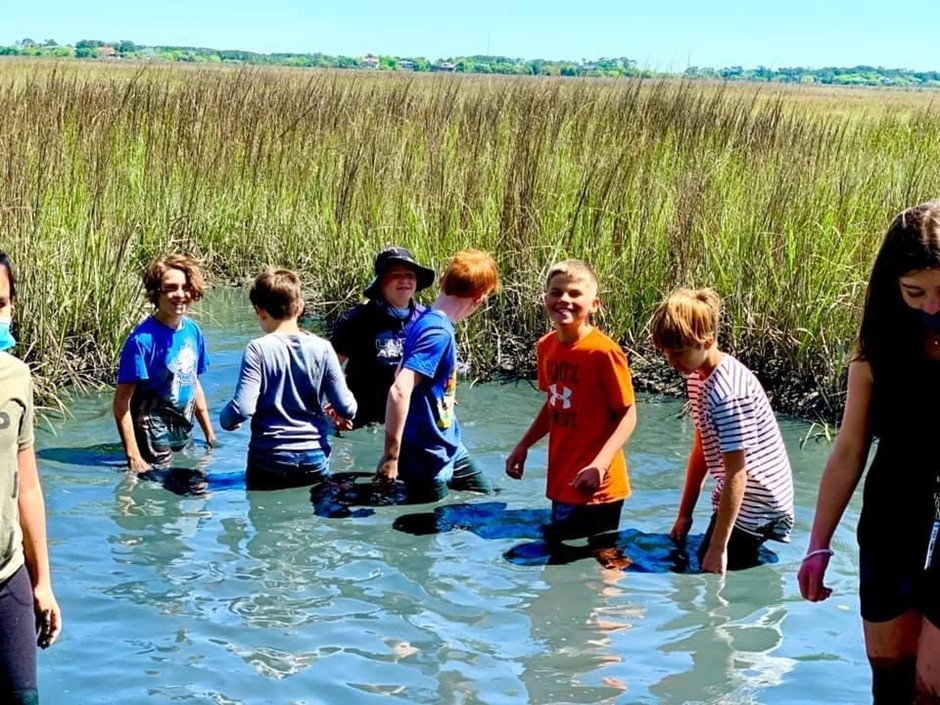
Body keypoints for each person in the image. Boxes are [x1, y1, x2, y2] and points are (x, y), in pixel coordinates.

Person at [798, 202, 940, 703]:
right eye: (915, 293)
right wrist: (818, 544)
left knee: (934, 682)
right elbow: (850, 448)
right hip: (894, 515)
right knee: (892, 678)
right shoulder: (878, 344)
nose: (931, 307)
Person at [650, 288, 794, 574]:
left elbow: (736, 474)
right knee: (692, 556)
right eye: (666, 352)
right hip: (741, 494)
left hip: (760, 502)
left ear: (708, 340)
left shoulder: (727, 393)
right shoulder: (696, 378)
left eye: (678, 352)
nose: (671, 362)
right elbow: (702, 448)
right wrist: (684, 515)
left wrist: (718, 549)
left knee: (707, 568)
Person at [505, 259, 637, 542]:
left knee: (598, 559)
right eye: (556, 292)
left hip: (598, 484)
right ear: (545, 299)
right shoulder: (546, 347)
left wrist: (599, 466)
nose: (564, 299)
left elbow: (628, 415)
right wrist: (524, 444)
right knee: (561, 560)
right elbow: (554, 404)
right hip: (562, 477)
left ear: (595, 304)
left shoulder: (603, 353)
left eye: (575, 294)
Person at [376, 249, 499, 503]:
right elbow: (399, 390)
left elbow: (402, 369)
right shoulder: (437, 332)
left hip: (451, 446)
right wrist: (391, 457)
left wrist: (440, 393)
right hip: (428, 457)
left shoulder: (425, 320)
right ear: (479, 298)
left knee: (488, 497)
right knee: (426, 535)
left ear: (443, 280)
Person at [220, 268, 357, 490]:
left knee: (265, 522)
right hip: (313, 457)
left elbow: (243, 408)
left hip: (269, 458)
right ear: (300, 307)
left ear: (260, 311)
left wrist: (226, 420)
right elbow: (348, 408)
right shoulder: (323, 349)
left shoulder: (258, 349)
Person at [0, 252, 61, 703]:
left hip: (7, 575)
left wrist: (43, 582)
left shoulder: (17, 377)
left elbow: (28, 486)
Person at [113, 254, 215, 474]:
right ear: (155, 293)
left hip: (183, 425)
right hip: (153, 427)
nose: (180, 294)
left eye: (185, 287)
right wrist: (133, 457)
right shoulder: (141, 341)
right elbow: (122, 402)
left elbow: (194, 382)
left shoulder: (193, 331)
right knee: (166, 487)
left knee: (195, 486)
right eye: (170, 288)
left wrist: (210, 434)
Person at [331, 246, 435, 428]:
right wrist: (337, 403)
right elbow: (328, 367)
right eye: (395, 275)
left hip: (411, 421)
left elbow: (440, 371)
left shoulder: (427, 321)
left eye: (410, 274)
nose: (404, 280)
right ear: (380, 282)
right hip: (362, 421)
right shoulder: (357, 320)